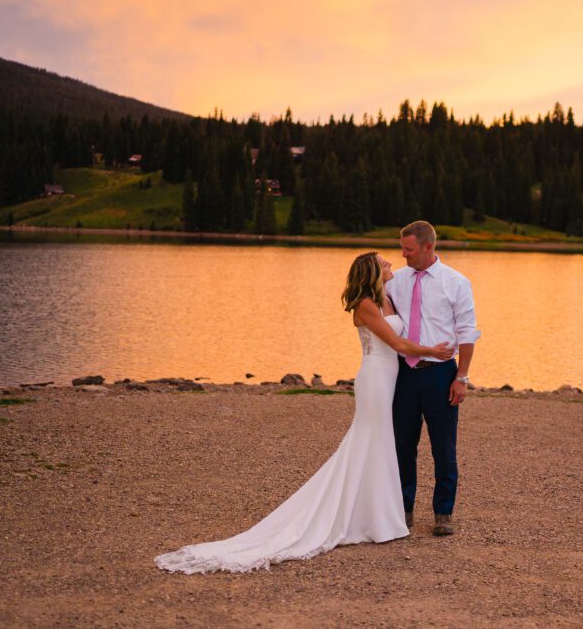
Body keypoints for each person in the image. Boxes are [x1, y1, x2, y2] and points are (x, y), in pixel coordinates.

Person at [154, 251, 453, 573]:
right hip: (375, 379)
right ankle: (372, 519)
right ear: (372, 271)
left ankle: (379, 515)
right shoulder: (365, 304)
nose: (391, 265)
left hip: (391, 379)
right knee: (371, 439)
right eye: (384, 263)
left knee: (381, 444)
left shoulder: (388, 298)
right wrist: (432, 352)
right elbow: (398, 344)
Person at [386, 221, 480, 536]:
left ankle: (443, 513)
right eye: (402, 248)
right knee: (401, 445)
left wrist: (462, 377)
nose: (403, 254)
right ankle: (403, 510)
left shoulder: (456, 283)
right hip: (403, 374)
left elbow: (468, 333)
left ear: (428, 247)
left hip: (441, 374)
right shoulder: (394, 281)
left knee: (443, 446)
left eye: (408, 249)